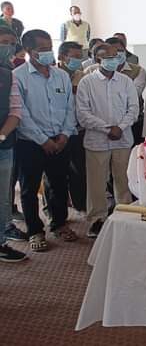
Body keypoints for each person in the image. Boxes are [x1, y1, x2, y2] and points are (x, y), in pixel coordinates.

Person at [15, 29, 78, 252]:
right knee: (29, 189)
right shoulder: (18, 76)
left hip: (60, 140)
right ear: (28, 51)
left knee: (58, 184)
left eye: (49, 48)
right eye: (42, 49)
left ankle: (59, 223)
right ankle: (35, 230)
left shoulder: (61, 75)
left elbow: (70, 108)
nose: (48, 53)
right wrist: (42, 140)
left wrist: (65, 135)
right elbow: (21, 113)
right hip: (30, 143)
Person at [76, 43, 138, 238]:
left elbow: (133, 108)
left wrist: (120, 127)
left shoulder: (125, 81)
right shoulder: (87, 82)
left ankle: (124, 216)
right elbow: (83, 114)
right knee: (96, 182)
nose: (114, 60)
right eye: (109, 57)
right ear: (97, 59)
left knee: (123, 179)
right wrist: (107, 128)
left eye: (116, 56)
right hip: (97, 140)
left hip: (123, 138)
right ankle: (97, 219)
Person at [0, 28, 26, 259]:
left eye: (11, 43)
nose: (7, 48)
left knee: (2, 196)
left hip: (3, 145)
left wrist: (1, 136)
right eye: (3, 42)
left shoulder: (9, 76)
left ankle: (1, 241)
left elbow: (15, 112)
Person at [57, 41, 87, 213]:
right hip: (57, 132)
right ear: (62, 57)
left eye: (80, 57)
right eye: (74, 57)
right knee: (56, 174)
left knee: (79, 170)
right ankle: (55, 211)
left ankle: (80, 204)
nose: (78, 60)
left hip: (78, 130)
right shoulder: (52, 75)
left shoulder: (82, 76)